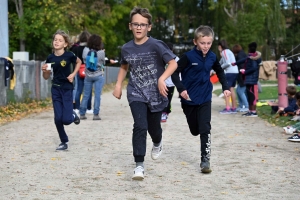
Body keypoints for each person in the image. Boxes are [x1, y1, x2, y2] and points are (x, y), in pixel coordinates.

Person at [112, 6, 178, 180]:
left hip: (156, 94)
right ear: (130, 26)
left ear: (149, 27)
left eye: (143, 24)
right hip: (136, 92)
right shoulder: (126, 48)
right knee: (140, 125)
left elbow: (172, 64)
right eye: (136, 24)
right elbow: (124, 66)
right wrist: (118, 84)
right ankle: (139, 165)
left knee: (154, 129)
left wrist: (161, 79)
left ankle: (157, 142)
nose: (139, 27)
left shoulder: (157, 45)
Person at [171, 25, 231, 174]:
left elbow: (219, 71)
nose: (206, 46)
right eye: (203, 43)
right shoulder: (188, 57)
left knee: (205, 128)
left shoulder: (212, 57)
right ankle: (197, 130)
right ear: (195, 42)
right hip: (189, 99)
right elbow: (174, 73)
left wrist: (225, 87)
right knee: (194, 130)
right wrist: (181, 88)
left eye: (209, 43)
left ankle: (205, 160)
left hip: (205, 97)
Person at [41, 30, 81, 151]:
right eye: (55, 40)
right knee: (58, 118)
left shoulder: (69, 55)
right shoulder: (50, 57)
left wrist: (73, 74)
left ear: (65, 44)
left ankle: (73, 115)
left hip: (67, 88)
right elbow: (46, 77)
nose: (57, 42)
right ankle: (64, 141)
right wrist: (45, 71)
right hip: (56, 89)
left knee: (67, 120)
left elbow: (79, 62)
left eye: (60, 40)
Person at [79, 34, 106, 120]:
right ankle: (96, 114)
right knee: (97, 95)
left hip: (88, 75)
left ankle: (82, 113)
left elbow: (84, 61)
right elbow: (103, 63)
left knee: (86, 94)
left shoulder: (85, 50)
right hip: (98, 75)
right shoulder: (101, 52)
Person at [233, 42, 262, 117]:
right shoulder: (250, 56)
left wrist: (245, 72)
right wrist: (235, 63)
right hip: (249, 79)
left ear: (250, 49)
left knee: (252, 95)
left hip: (252, 79)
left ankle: (253, 111)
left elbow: (254, 68)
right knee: (249, 95)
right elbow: (243, 60)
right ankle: (250, 110)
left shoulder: (254, 58)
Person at [71, 31, 93, 115]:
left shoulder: (76, 48)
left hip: (78, 69)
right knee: (88, 89)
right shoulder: (89, 49)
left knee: (78, 88)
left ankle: (76, 107)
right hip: (87, 69)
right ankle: (88, 107)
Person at [218, 40, 239, 114]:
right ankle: (234, 107)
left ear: (220, 46)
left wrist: (220, 68)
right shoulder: (229, 51)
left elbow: (228, 63)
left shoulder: (224, 52)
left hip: (230, 72)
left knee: (226, 89)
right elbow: (220, 62)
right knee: (231, 89)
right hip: (235, 72)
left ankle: (227, 108)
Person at [161, 42, 179, 122]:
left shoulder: (177, 60)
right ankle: (162, 113)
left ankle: (166, 112)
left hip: (171, 83)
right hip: (163, 83)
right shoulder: (161, 58)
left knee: (168, 99)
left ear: (172, 51)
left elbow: (179, 72)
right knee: (162, 98)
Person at [232, 44, 249, 112]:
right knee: (238, 91)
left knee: (240, 91)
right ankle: (241, 105)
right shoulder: (242, 54)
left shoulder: (239, 56)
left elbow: (241, 66)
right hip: (242, 76)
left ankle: (246, 106)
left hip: (243, 76)